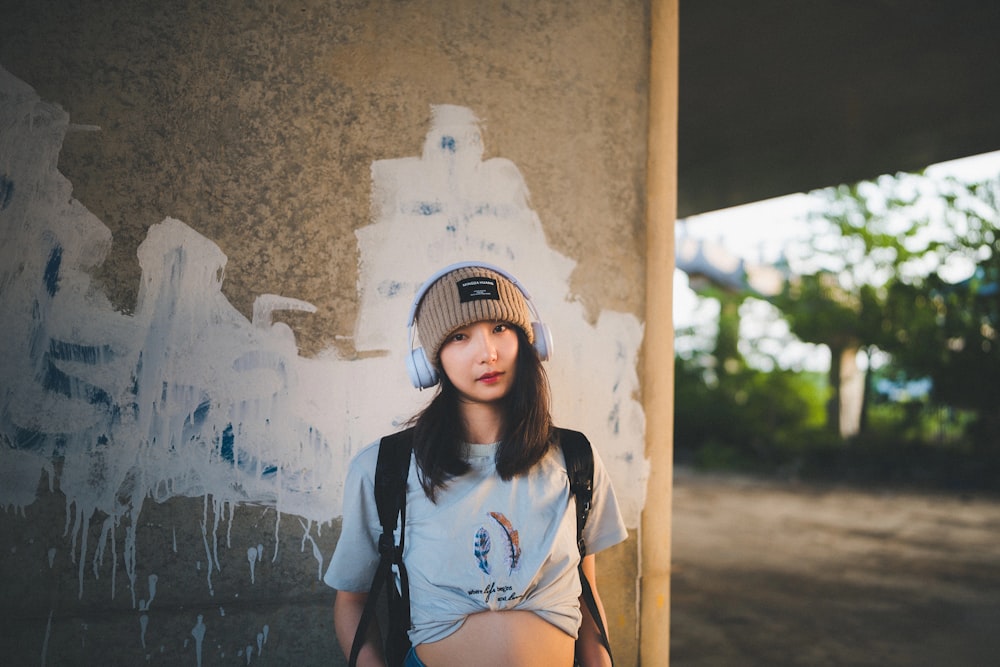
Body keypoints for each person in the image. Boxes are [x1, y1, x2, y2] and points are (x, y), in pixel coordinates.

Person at [324, 262, 628, 667]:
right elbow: (353, 602)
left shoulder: (575, 458)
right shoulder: (386, 468)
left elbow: (586, 596)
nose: (487, 353)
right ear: (430, 362)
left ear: (530, 341)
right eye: (459, 336)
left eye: (500, 328)